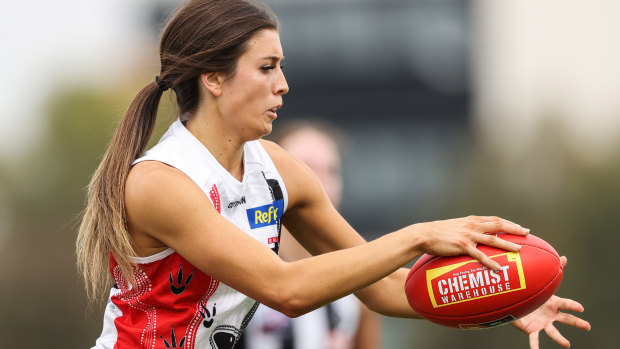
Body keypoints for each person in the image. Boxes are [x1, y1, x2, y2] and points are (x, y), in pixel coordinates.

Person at [76, 1, 590, 348]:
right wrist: (418, 236)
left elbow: (386, 289)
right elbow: (286, 290)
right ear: (213, 78)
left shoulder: (279, 172)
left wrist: (499, 295)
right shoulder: (160, 182)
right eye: (266, 67)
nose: (283, 85)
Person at [238, 121, 382, 349]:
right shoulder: (235, 267)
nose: (318, 183)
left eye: (331, 171)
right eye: (305, 168)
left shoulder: (357, 279)